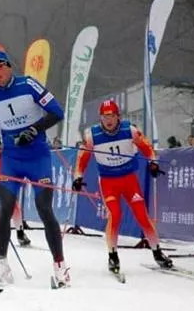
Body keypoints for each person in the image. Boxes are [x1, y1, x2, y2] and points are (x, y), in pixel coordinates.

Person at [0, 46, 68, 287]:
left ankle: (60, 267)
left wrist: (34, 129)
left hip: (38, 157)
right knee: (4, 210)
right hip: (11, 160)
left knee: (44, 209)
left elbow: (57, 112)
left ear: (8, 66)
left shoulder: (28, 84)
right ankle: (1, 265)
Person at [73, 99, 173, 272]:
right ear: (100, 118)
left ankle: (157, 252)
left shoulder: (130, 130)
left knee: (142, 215)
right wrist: (78, 177)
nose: (108, 120)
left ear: (118, 116)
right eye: (105, 117)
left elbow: (147, 147)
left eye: (111, 116)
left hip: (129, 180)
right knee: (115, 214)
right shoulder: (92, 136)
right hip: (108, 182)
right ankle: (113, 255)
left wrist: (153, 163)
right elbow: (83, 158)